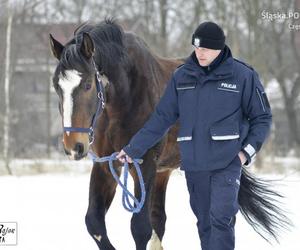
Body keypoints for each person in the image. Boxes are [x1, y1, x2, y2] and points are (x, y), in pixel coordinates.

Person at [116, 21, 272, 250]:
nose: (199, 53)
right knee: (205, 223)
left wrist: (245, 153)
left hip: (226, 164)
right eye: (196, 47)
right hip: (194, 166)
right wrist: (133, 149)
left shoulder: (242, 76)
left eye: (205, 49)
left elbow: (262, 118)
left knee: (221, 219)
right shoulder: (182, 77)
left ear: (219, 48)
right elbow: (161, 118)